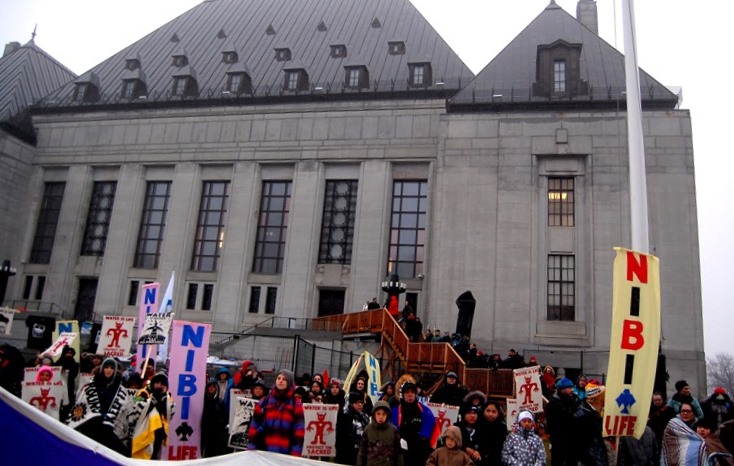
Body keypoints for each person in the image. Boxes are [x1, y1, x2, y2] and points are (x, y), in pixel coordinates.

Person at [67, 357, 129, 455]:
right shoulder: (90, 386)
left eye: (112, 368)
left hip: (109, 430)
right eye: (106, 367)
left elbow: (124, 409)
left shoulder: (121, 390)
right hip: (91, 427)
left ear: (115, 370)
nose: (109, 370)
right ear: (102, 368)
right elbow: (81, 403)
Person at [247, 368, 305, 456]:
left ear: (290, 382)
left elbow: (299, 431)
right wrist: (251, 449)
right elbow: (254, 427)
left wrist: (295, 454)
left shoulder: (295, 404)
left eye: (284, 379)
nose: (280, 381)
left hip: (286, 455)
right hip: (263, 452)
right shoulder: (264, 402)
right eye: (279, 378)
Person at [392, 381, 436, 466]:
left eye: (412, 392)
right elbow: (392, 427)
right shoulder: (395, 410)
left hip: (420, 449)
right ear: (403, 395)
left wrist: (423, 436)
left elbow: (430, 422)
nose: (410, 394)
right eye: (407, 392)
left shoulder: (424, 410)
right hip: (402, 449)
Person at [545, 377, 582, 466]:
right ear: (561, 389)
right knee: (558, 461)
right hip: (559, 439)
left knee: (572, 461)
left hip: (573, 438)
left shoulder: (575, 400)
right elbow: (550, 422)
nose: (571, 390)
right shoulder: (553, 403)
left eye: (571, 387)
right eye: (569, 388)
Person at [358, 400, 403, 466]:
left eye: (383, 414)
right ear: (374, 414)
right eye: (378, 414)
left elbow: (398, 454)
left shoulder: (393, 430)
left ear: (387, 415)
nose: (381, 417)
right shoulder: (368, 429)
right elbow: (362, 453)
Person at [660, 401, 707, 466]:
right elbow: (667, 446)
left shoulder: (699, 426)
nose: (685, 413)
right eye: (683, 411)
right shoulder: (673, 426)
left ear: (693, 413)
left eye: (688, 411)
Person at [336, 392, 371, 465]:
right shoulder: (344, 417)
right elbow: (340, 438)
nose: (360, 405)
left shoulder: (365, 417)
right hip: (347, 453)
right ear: (351, 404)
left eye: (361, 403)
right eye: (356, 403)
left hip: (362, 452)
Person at [201, 380, 229, 457]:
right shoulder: (202, 401)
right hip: (204, 432)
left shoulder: (221, 402)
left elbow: (225, 416)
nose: (212, 388)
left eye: (213, 387)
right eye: (210, 387)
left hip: (217, 433)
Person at [476, 399, 507, 466]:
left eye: (494, 411)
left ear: (498, 413)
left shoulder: (502, 427)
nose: (490, 414)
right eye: (488, 411)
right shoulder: (477, 424)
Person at [647, 391, 676, 462]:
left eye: (659, 400)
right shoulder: (648, 410)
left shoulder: (669, 410)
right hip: (653, 437)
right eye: (655, 400)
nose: (657, 402)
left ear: (662, 400)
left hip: (666, 436)